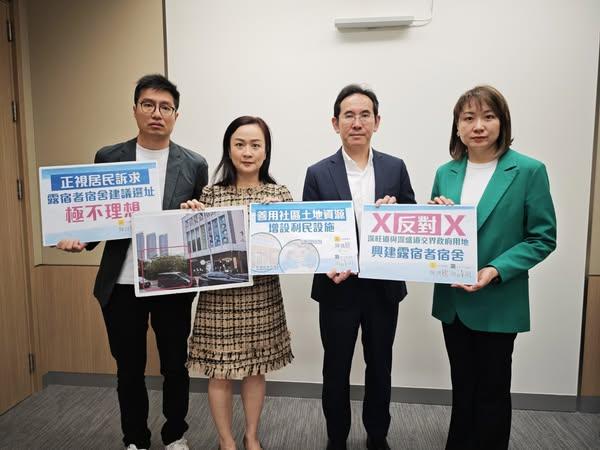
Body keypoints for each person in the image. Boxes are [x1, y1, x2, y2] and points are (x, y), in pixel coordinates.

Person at [56, 74, 208, 450]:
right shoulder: (109, 157)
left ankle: (175, 434)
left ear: (176, 115)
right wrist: (80, 240)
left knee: (175, 364)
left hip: (172, 279)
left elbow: (200, 225)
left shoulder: (194, 163)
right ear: (135, 109)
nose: (157, 113)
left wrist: (196, 213)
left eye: (165, 107)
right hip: (122, 282)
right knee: (129, 368)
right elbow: (97, 218)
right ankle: (135, 439)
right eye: (148, 105)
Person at [430, 85, 556, 450]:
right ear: (457, 128)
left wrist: (495, 269)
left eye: (488, 117)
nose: (478, 126)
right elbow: (437, 237)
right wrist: (435, 218)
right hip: (454, 302)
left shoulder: (528, 171)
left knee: (493, 391)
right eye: (468, 118)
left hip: (498, 300)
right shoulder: (446, 173)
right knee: (462, 387)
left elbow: (542, 237)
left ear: (502, 123)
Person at [302, 84, 416, 450]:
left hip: (383, 287)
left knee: (380, 366)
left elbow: (412, 220)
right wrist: (325, 264)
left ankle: (377, 436)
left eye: (365, 115)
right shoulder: (318, 173)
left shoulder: (395, 167)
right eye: (348, 115)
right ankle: (336, 438)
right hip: (337, 287)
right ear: (335, 123)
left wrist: (395, 213)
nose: (357, 122)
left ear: (377, 121)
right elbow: (312, 233)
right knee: (335, 368)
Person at [181, 116, 294, 450]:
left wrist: (281, 227)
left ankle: (251, 436)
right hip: (218, 297)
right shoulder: (210, 195)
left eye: (255, 145)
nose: (247, 152)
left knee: (255, 370)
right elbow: (193, 249)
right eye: (240, 144)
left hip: (262, 294)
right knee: (219, 373)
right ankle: (226, 440)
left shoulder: (279, 194)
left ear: (266, 151)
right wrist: (189, 216)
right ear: (228, 149)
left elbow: (292, 249)